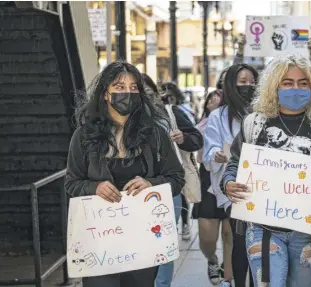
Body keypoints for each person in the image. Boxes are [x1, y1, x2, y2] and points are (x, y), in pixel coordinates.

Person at [221, 54, 311, 287]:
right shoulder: (254, 124)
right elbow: (235, 162)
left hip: (308, 233)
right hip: (262, 229)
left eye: (302, 83)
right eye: (287, 83)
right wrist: (228, 182)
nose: (295, 88)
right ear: (274, 86)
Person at [64, 61, 185, 287]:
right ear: (105, 94)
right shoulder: (84, 135)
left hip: (143, 239)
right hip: (100, 243)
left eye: (133, 87)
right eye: (119, 87)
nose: (127, 93)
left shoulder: (155, 134)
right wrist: (94, 187)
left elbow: (177, 179)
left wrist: (151, 183)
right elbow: (71, 182)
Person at [143, 75, 203, 287]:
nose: (144, 98)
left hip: (168, 190)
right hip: (131, 194)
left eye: (149, 93)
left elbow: (196, 138)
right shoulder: (117, 120)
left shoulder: (171, 114)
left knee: (163, 243)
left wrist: (183, 138)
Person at [203, 63, 258, 287]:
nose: (248, 86)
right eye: (242, 82)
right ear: (231, 85)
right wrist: (217, 155)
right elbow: (210, 149)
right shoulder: (218, 116)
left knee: (258, 241)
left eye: (252, 82)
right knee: (240, 237)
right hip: (234, 186)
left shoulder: (263, 112)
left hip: (261, 185)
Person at [192, 90, 233, 285]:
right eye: (211, 99)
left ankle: (228, 268)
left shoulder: (236, 121)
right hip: (208, 177)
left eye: (220, 97)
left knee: (229, 231)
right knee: (207, 235)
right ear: (207, 104)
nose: (215, 101)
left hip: (229, 177)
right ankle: (212, 259)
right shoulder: (200, 126)